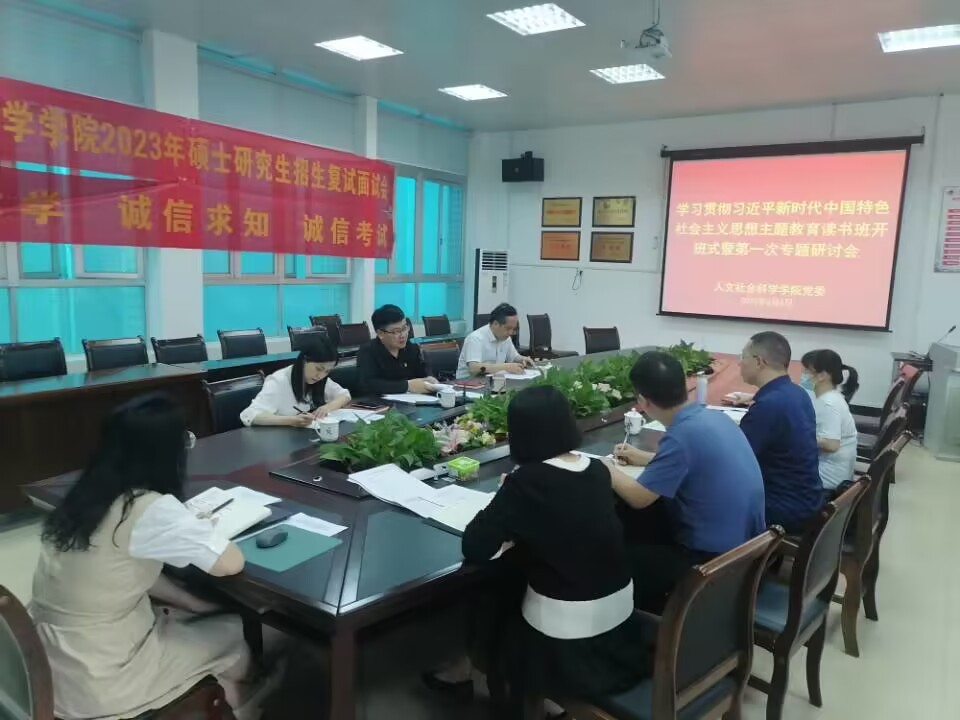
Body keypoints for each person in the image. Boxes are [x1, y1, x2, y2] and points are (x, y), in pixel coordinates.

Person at [29, 394, 264, 720]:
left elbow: (122, 571)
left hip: (45, 661)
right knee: (231, 631)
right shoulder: (145, 506)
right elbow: (230, 563)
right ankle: (245, 702)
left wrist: (193, 603)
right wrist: (203, 531)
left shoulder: (85, 494)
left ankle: (226, 691)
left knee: (194, 621)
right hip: (98, 676)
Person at [458, 386, 652, 718]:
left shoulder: (526, 482)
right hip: (622, 629)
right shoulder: (597, 469)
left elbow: (475, 546)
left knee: (494, 596)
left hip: (568, 647)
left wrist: (506, 497)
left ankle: (478, 678)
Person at [611, 351, 767, 613]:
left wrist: (607, 470)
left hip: (711, 562)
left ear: (643, 401)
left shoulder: (681, 435)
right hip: (747, 550)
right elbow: (697, 462)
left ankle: (643, 624)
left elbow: (639, 498)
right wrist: (648, 458)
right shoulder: (713, 417)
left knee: (616, 552)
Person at [738, 331, 823, 532]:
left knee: (699, 498)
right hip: (807, 500)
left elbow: (734, 461)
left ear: (759, 362)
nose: (739, 363)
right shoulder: (797, 393)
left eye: (743, 357)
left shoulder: (769, 406)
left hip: (782, 507)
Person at [240, 337, 351, 427]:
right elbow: (250, 415)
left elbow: (345, 396)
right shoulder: (279, 381)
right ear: (304, 360)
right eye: (318, 369)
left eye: (327, 371)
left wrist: (327, 408)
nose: (321, 376)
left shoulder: (320, 379)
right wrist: (292, 420)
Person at [801, 349, 859, 494]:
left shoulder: (829, 403)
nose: (803, 374)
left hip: (827, 480)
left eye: (807, 371)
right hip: (832, 471)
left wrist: (799, 437)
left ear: (822, 375)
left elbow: (831, 444)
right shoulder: (831, 397)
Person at [357, 304, 438, 395]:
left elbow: (423, 371)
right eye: (396, 331)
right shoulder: (368, 351)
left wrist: (429, 379)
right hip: (381, 402)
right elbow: (369, 385)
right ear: (380, 334)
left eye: (404, 328)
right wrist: (407, 386)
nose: (403, 335)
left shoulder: (411, 347)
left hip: (413, 400)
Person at [456, 303, 535, 379]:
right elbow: (473, 368)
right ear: (495, 324)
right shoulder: (475, 338)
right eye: (508, 328)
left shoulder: (505, 338)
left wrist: (522, 359)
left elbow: (514, 357)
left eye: (513, 329)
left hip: (492, 380)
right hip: (468, 383)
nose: (511, 333)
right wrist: (506, 367)